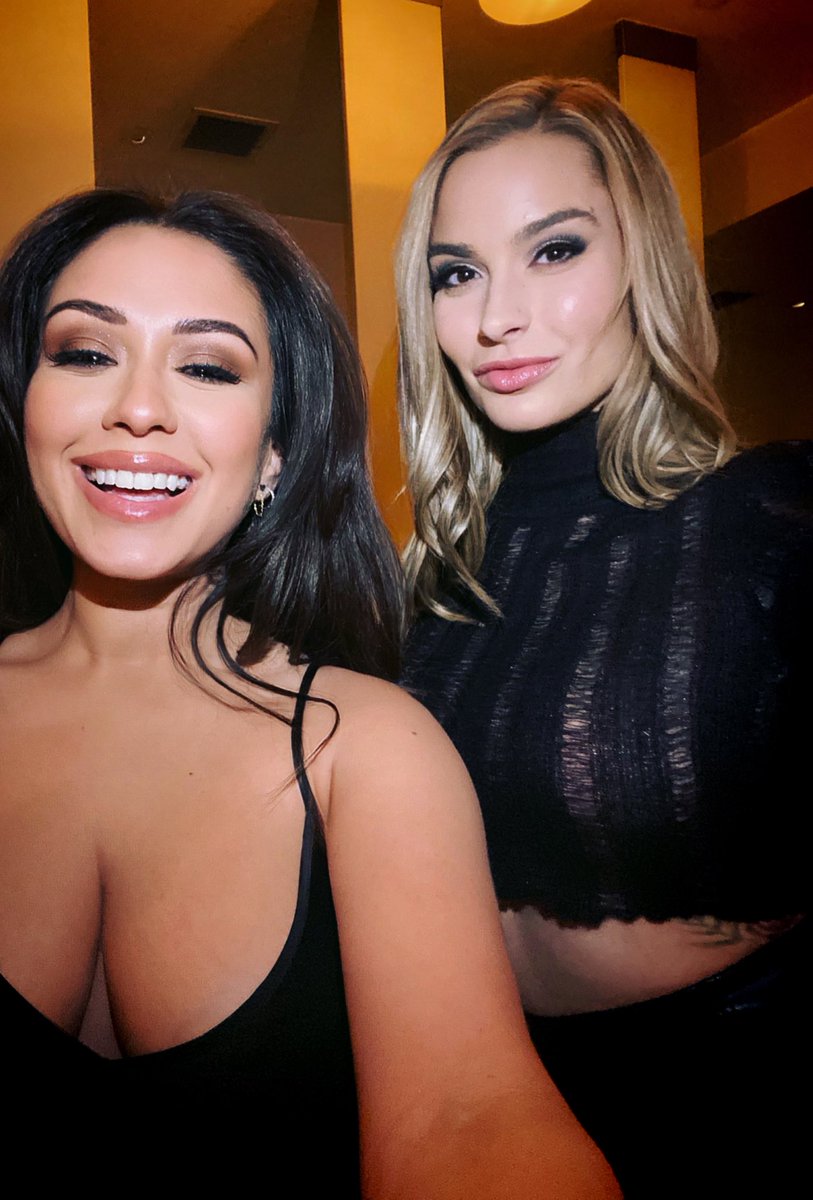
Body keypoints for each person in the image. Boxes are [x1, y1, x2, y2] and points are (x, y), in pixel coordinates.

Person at [0, 189, 619, 1195]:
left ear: (274, 458)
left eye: (207, 366)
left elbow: (468, 1120)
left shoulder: (365, 749)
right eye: (85, 352)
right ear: (25, 401)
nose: (139, 408)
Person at [397, 77, 811, 1197]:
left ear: (644, 265)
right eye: (455, 272)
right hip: (472, 1096)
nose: (497, 316)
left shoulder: (771, 521)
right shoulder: (425, 579)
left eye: (554, 250)